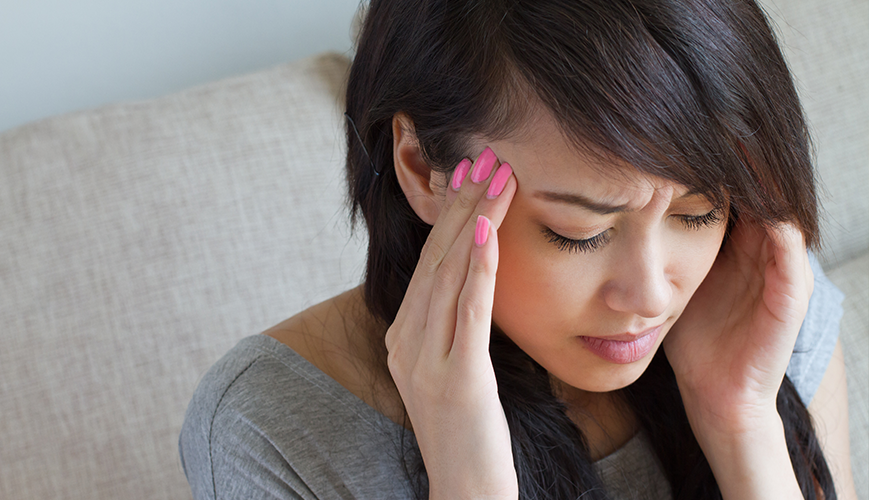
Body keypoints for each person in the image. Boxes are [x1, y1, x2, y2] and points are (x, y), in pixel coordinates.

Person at [179, 0, 858, 498]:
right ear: (420, 169)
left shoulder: (765, 320)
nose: (652, 294)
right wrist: (468, 476)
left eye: (697, 212)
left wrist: (740, 423)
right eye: (578, 231)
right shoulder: (273, 425)